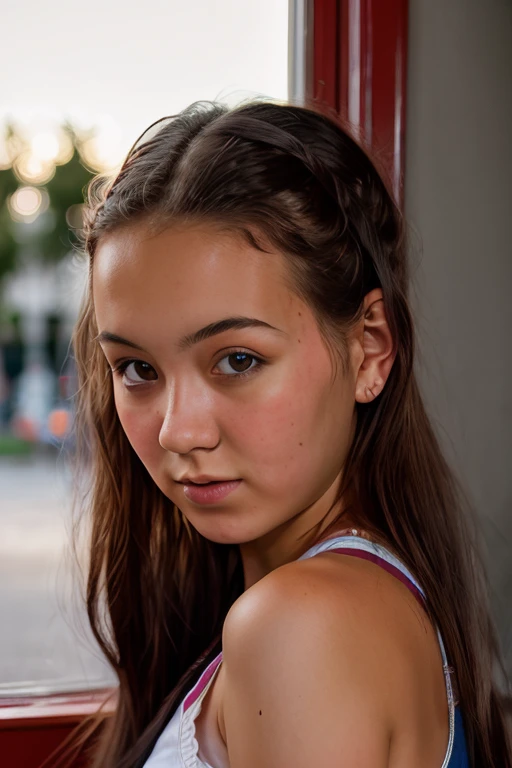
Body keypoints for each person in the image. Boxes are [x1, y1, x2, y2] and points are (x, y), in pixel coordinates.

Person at [72, 101, 511, 767]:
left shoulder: (301, 628)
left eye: (238, 360)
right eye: (137, 369)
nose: (178, 430)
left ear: (369, 350)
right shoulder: (358, 601)